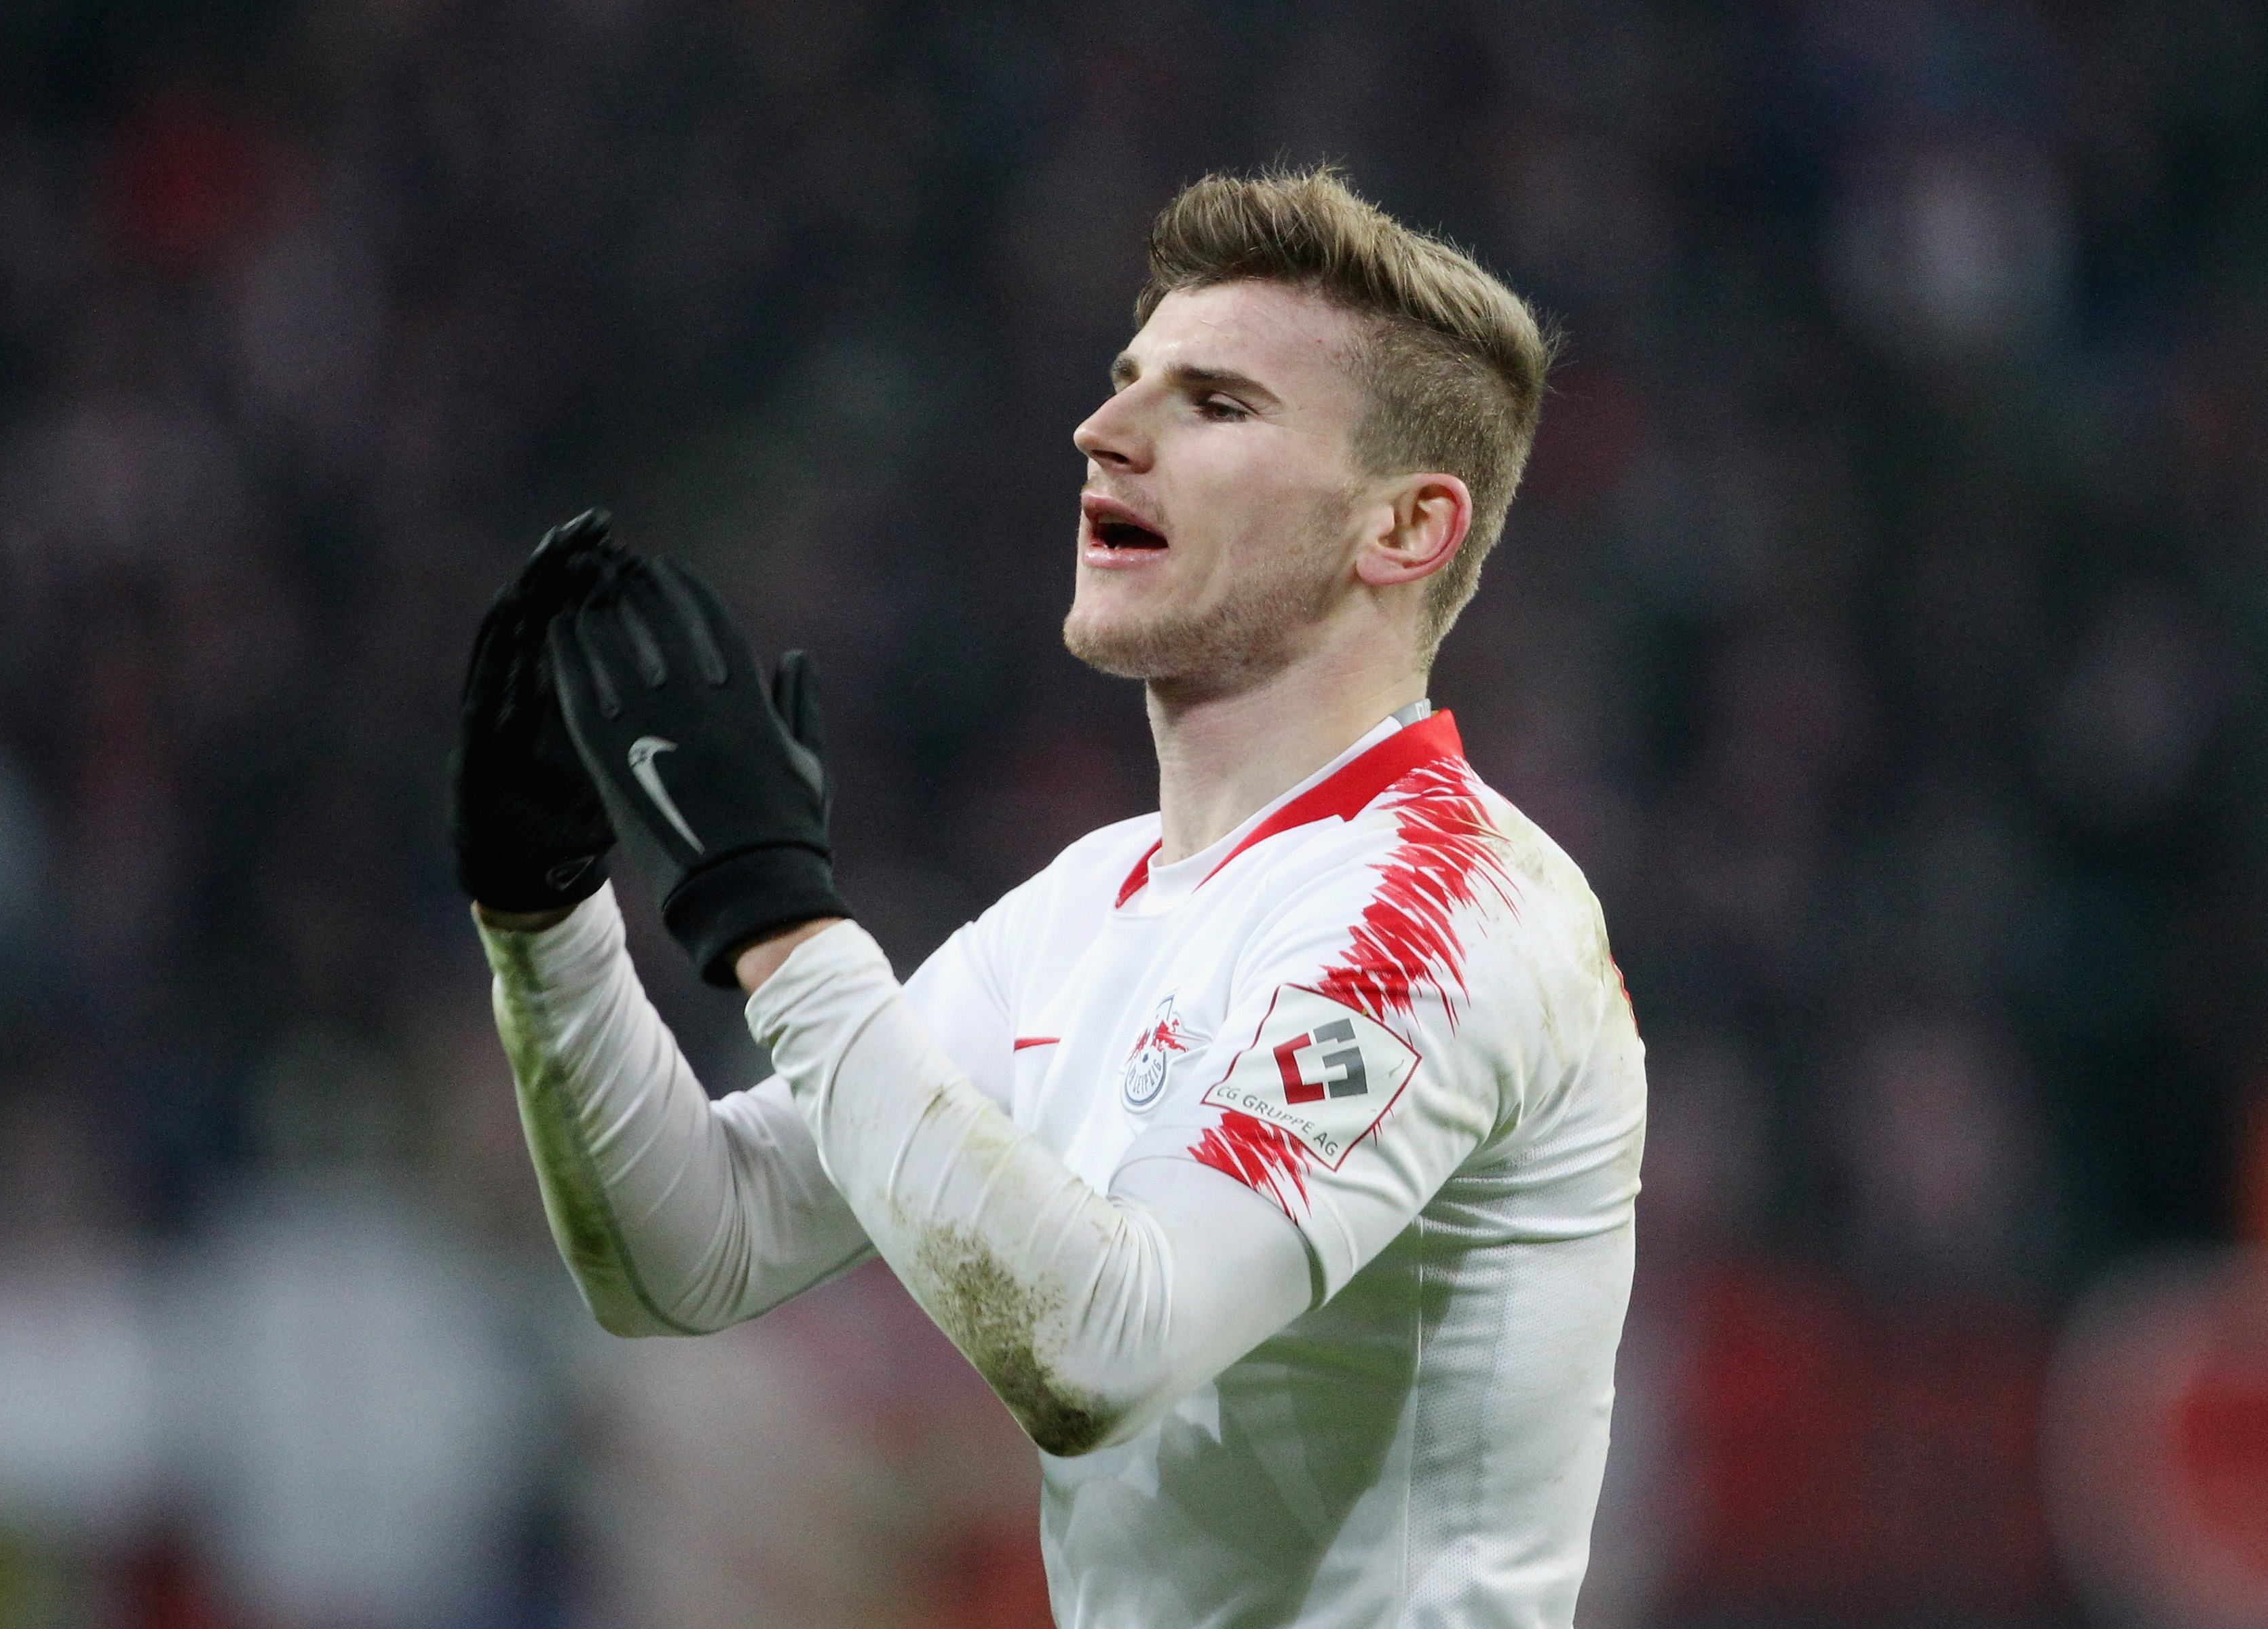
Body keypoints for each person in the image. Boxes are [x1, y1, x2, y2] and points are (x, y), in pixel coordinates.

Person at [451, 167, 1645, 1629]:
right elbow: (696, 1250)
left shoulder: (1449, 915)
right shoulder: (1093, 903)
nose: (1103, 431)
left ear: (1403, 530)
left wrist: (776, 919)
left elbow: (1102, 1351)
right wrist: (549, 915)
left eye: (1216, 406)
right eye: (1125, 380)